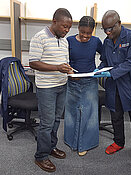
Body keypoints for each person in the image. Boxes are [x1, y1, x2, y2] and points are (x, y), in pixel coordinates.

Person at [97, 10, 131, 161]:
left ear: (119, 23)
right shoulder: (107, 41)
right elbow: (105, 61)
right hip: (114, 86)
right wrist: (100, 68)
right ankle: (118, 142)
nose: (107, 32)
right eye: (104, 29)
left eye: (110, 28)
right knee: (116, 115)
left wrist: (112, 73)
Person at [29, 8, 73, 172]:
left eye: (69, 27)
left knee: (55, 120)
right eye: (64, 26)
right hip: (46, 88)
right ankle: (40, 156)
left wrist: (69, 70)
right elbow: (33, 63)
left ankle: (51, 147)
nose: (67, 30)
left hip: (62, 85)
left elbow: (63, 63)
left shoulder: (64, 40)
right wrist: (57, 67)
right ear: (54, 21)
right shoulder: (39, 37)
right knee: (46, 124)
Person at [64, 16, 102, 156]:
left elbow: (105, 56)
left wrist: (100, 69)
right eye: (82, 33)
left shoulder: (96, 41)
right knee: (71, 113)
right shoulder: (69, 41)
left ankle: (86, 144)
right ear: (78, 28)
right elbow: (63, 58)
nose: (85, 36)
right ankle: (71, 142)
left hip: (90, 81)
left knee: (90, 114)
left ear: (93, 31)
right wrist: (67, 68)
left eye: (89, 33)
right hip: (73, 81)